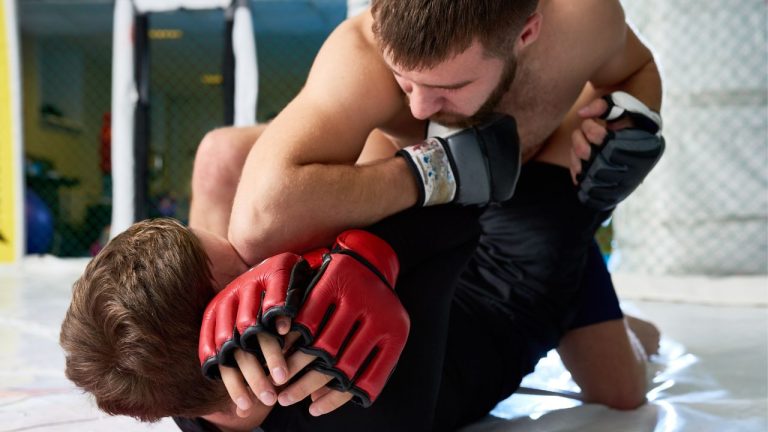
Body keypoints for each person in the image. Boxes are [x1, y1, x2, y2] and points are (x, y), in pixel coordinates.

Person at [60, 0, 664, 430]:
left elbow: (636, 70)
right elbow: (267, 223)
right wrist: (403, 208)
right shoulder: (366, 54)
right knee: (623, 389)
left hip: (480, 204)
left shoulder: (582, 20)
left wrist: (636, 119)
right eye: (405, 82)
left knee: (225, 158)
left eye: (447, 85)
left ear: (528, 31)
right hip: (480, 228)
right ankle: (612, 319)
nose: (422, 104)